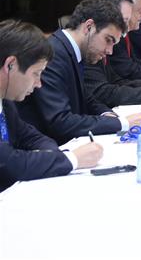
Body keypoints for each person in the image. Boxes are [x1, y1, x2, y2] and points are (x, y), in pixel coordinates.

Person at [16, 0, 141, 145]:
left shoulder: (71, 50)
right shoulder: (54, 54)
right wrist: (122, 124)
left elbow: (85, 97)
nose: (110, 51)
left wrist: (107, 115)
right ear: (89, 27)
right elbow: (60, 121)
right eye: (108, 40)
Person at [0, 20, 104, 191]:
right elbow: (9, 162)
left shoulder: (5, 100)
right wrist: (73, 159)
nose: (38, 84)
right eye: (36, 73)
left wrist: (51, 155)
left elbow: (31, 136)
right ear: (10, 64)